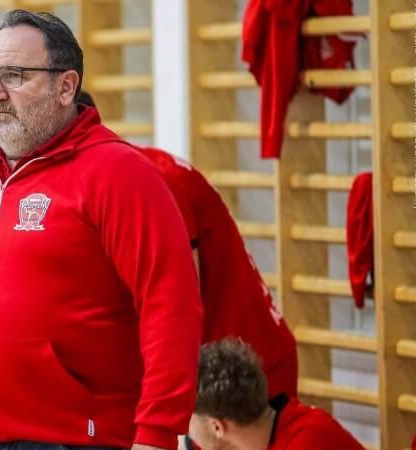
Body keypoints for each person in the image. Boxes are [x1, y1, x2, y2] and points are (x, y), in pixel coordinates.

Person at [0, 10, 202, 450]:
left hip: (78, 438)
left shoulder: (119, 172)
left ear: (65, 86)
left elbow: (170, 303)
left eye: (14, 76)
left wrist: (157, 433)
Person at [77, 92, 298, 399]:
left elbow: (178, 301)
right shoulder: (114, 176)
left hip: (245, 372)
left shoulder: (153, 180)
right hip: (218, 368)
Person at [189, 339, 364, 450]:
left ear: (217, 426)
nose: (187, 430)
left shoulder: (306, 441)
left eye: (188, 420)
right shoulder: (280, 427)